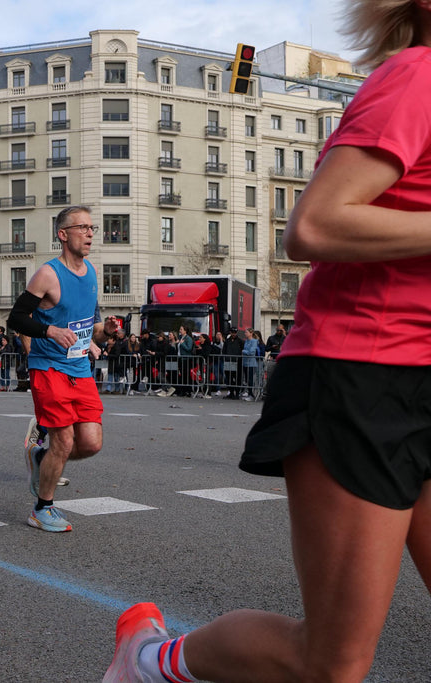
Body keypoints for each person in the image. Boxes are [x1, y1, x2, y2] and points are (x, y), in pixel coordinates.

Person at [105, 2, 431, 680]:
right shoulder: (417, 78)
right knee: (332, 662)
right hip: (363, 374)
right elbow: (313, 225)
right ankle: (150, 661)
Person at [6, 205, 117, 533]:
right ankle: (42, 508)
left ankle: (41, 460)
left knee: (91, 442)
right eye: (82, 227)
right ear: (63, 234)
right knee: (64, 440)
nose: (90, 233)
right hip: (48, 367)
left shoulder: (92, 272)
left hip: (79, 367)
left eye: (92, 228)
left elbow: (89, 326)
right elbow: (15, 319)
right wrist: (50, 331)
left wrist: (104, 333)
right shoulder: (48, 275)